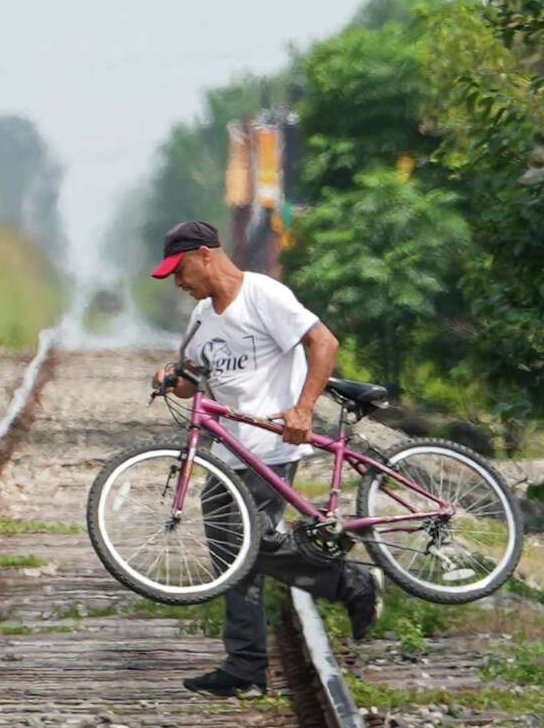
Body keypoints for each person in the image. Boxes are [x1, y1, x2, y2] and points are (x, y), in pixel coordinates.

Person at [150, 220, 381, 699]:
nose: (178, 281)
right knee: (231, 555)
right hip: (226, 451)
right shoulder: (200, 319)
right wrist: (174, 377)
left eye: (180, 269)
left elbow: (325, 343)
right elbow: (194, 379)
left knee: (250, 546)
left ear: (206, 254)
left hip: (271, 445)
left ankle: (350, 583)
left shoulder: (263, 295)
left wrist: (303, 409)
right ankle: (247, 665)